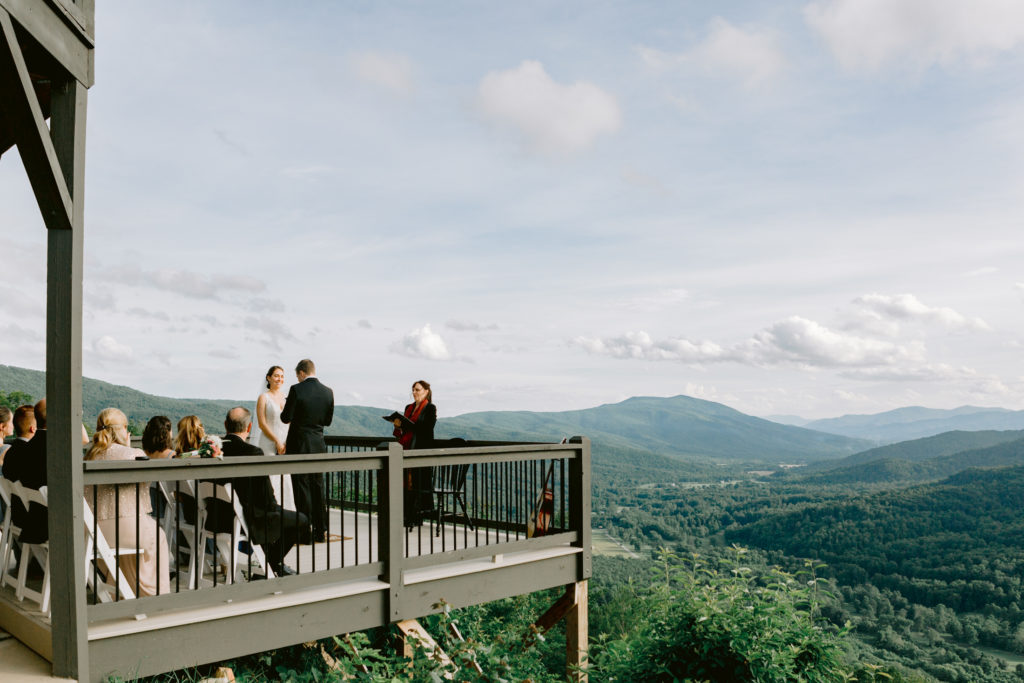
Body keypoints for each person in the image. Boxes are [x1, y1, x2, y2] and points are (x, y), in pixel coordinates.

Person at [207, 407, 305, 576]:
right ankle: (268, 567)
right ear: (249, 427)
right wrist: (276, 508)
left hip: (215, 517)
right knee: (301, 520)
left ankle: (269, 566)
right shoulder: (253, 453)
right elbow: (265, 496)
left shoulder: (211, 451)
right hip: (245, 519)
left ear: (225, 425)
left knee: (275, 516)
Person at [84, 408, 170, 597]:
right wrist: (130, 448)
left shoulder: (90, 455)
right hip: (127, 529)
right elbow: (145, 483)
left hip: (93, 533)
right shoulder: (132, 454)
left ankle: (125, 591)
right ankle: (156, 593)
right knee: (159, 536)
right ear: (123, 429)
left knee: (135, 545)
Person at [280, 359, 334, 543]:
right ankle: (322, 530)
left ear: (302, 373)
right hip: (318, 444)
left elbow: (285, 417)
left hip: (299, 444)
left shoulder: (297, 390)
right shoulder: (328, 392)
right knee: (318, 487)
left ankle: (306, 532)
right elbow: (327, 421)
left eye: (297, 375)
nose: (298, 378)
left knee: (301, 488)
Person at [392, 381, 437, 528]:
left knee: (416, 482)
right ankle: (404, 515)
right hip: (406, 447)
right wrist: (398, 425)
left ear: (426, 391)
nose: (415, 393)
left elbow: (428, 428)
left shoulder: (430, 408)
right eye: (413, 390)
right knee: (405, 482)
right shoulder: (408, 408)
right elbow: (403, 431)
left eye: (417, 390)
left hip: (420, 448)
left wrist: (409, 424)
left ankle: (416, 516)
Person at [2, 402, 46, 543]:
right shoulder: (30, 454)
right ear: (33, 429)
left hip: (17, 513)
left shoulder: (12, 452)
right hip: (32, 519)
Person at [142, 416, 175, 519]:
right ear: (168, 433)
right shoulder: (173, 456)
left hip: (145, 500)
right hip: (166, 503)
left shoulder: (144, 454)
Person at [0, 406, 17, 525]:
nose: (14, 425)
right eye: (11, 422)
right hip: (5, 514)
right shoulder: (7, 451)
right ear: (2, 427)